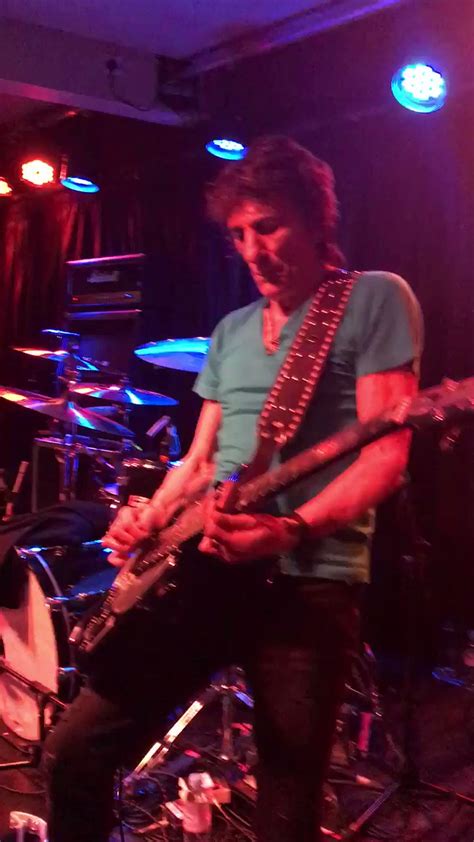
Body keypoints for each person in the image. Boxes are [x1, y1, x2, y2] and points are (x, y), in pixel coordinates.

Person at [43, 136, 422, 842]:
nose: (252, 250)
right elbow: (199, 460)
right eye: (239, 235)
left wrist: (290, 528)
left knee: (286, 809)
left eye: (268, 227)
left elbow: (385, 455)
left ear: (315, 219)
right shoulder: (231, 329)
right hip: (203, 568)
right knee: (75, 752)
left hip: (308, 582)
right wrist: (150, 518)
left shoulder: (373, 298)